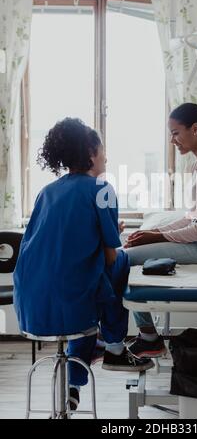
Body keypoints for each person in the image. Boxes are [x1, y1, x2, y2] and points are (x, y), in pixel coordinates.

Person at [13, 118, 153, 411]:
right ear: (91, 152)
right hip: (72, 305)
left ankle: (74, 385)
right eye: (103, 151)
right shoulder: (102, 189)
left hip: (29, 306)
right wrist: (110, 235)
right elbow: (112, 255)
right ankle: (115, 345)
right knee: (115, 267)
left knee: (88, 285)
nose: (106, 157)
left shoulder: (46, 192)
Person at [125, 103, 197, 359]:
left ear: (195, 129)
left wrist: (157, 236)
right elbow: (191, 217)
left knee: (125, 259)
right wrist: (154, 230)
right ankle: (146, 335)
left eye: (175, 133)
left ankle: (148, 338)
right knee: (132, 248)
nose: (172, 140)